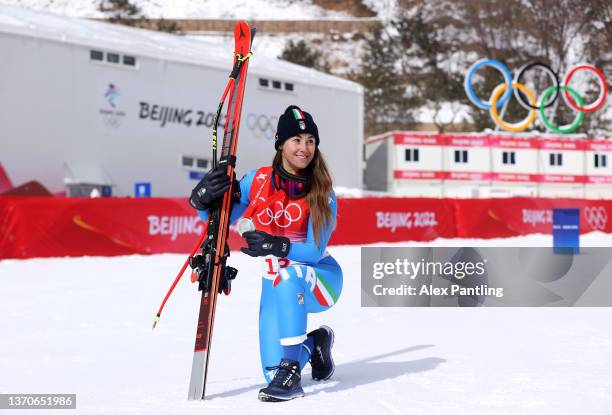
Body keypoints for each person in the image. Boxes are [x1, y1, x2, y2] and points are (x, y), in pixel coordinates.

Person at [189, 105, 342, 402]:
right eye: (297, 140)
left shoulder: (323, 191)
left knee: (288, 276)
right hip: (275, 286)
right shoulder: (258, 181)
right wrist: (202, 201)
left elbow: (314, 250)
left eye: (310, 140)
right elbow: (219, 223)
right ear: (281, 144)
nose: (304, 147)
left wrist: (276, 244)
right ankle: (315, 343)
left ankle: (292, 374)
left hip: (321, 281)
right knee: (273, 373)